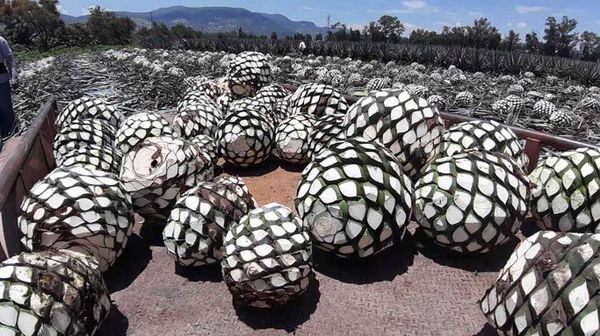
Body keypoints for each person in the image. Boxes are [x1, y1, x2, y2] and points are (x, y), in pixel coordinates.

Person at [0, 35, 18, 137]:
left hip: (1, 80)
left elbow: (10, 59)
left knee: (5, 108)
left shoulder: (1, 41)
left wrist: (13, 77)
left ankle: (11, 134)